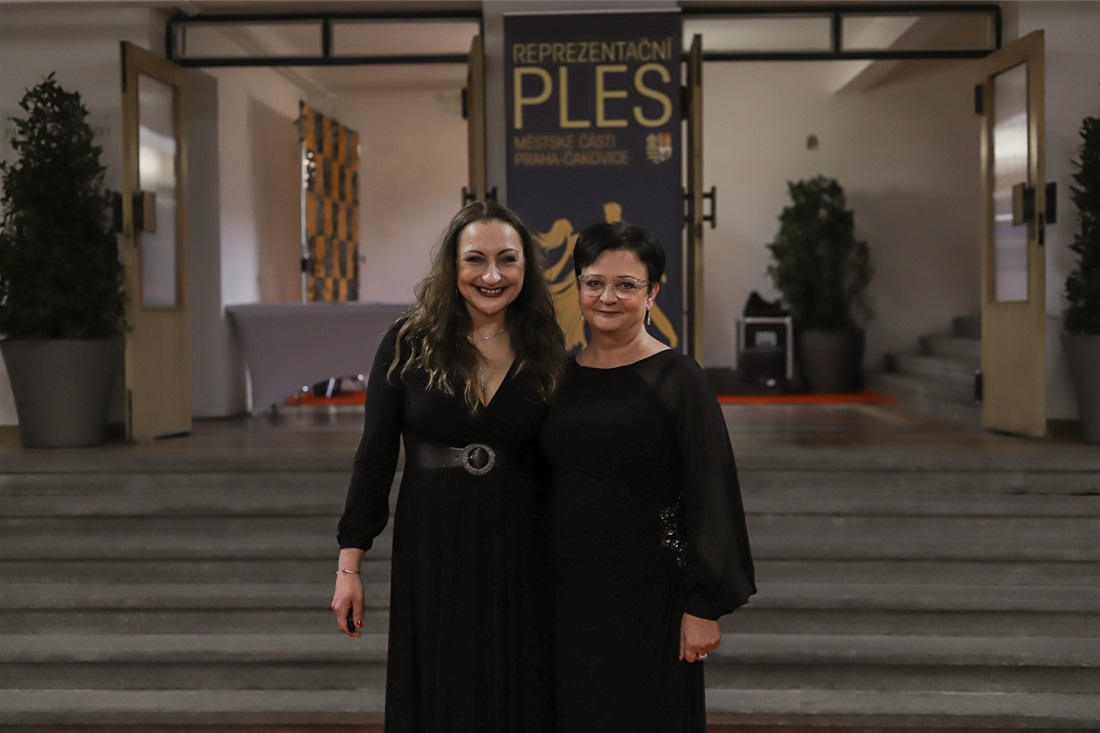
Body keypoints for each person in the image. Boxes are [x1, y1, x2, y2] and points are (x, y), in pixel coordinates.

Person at [332, 200, 566, 732]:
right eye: (475, 259)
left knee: (519, 679)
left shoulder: (546, 346)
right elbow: (374, 457)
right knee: (439, 677)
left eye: (507, 260)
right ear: (452, 266)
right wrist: (349, 567)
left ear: (526, 268)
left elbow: (562, 459)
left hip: (522, 540)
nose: (491, 276)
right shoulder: (407, 341)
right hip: (433, 537)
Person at [541, 220, 756, 732]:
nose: (607, 297)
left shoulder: (679, 378)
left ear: (652, 292)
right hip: (564, 591)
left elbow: (712, 491)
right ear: (578, 286)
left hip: (650, 590)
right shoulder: (557, 376)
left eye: (626, 285)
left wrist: (703, 606)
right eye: (594, 282)